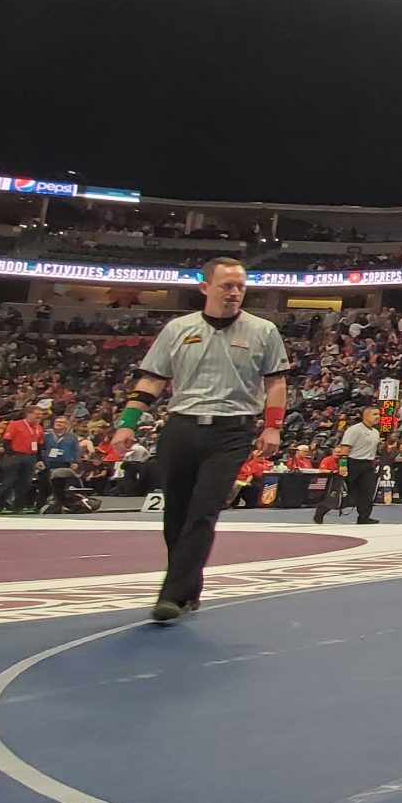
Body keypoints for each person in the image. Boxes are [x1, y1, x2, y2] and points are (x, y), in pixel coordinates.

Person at [108, 259, 289, 623]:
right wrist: (127, 423)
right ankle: (188, 587)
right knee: (176, 512)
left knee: (204, 509)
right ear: (205, 287)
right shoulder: (178, 329)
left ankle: (171, 594)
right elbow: (152, 380)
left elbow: (275, 382)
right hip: (182, 426)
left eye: (240, 285)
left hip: (231, 428)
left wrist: (273, 427)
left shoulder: (263, 330)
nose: (235, 292)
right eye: (226, 285)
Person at [316, 405, 384, 524]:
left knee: (367, 492)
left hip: (367, 464)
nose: (377, 417)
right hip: (353, 463)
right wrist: (343, 465)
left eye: (378, 414)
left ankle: (364, 517)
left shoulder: (375, 432)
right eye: (374, 414)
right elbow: (345, 449)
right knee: (343, 491)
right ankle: (322, 508)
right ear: (366, 416)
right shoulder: (354, 430)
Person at [0, 406, 43, 513]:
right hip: (15, 455)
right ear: (29, 414)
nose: (39, 417)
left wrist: (39, 459)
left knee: (25, 483)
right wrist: (11, 455)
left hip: (30, 456)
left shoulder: (39, 428)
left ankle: (18, 507)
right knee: (8, 482)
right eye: (37, 414)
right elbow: (7, 441)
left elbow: (39, 445)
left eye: (41, 415)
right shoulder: (15, 424)